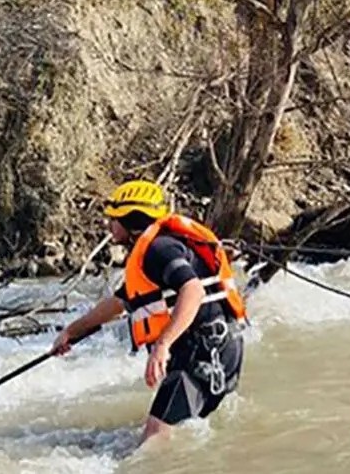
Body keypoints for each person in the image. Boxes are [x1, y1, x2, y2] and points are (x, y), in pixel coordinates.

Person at [53, 180, 247, 444]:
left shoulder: (159, 250)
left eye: (114, 219)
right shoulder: (155, 249)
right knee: (178, 433)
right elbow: (119, 302)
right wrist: (71, 332)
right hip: (218, 348)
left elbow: (193, 290)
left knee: (154, 438)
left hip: (203, 353)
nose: (109, 225)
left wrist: (162, 345)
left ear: (132, 220)